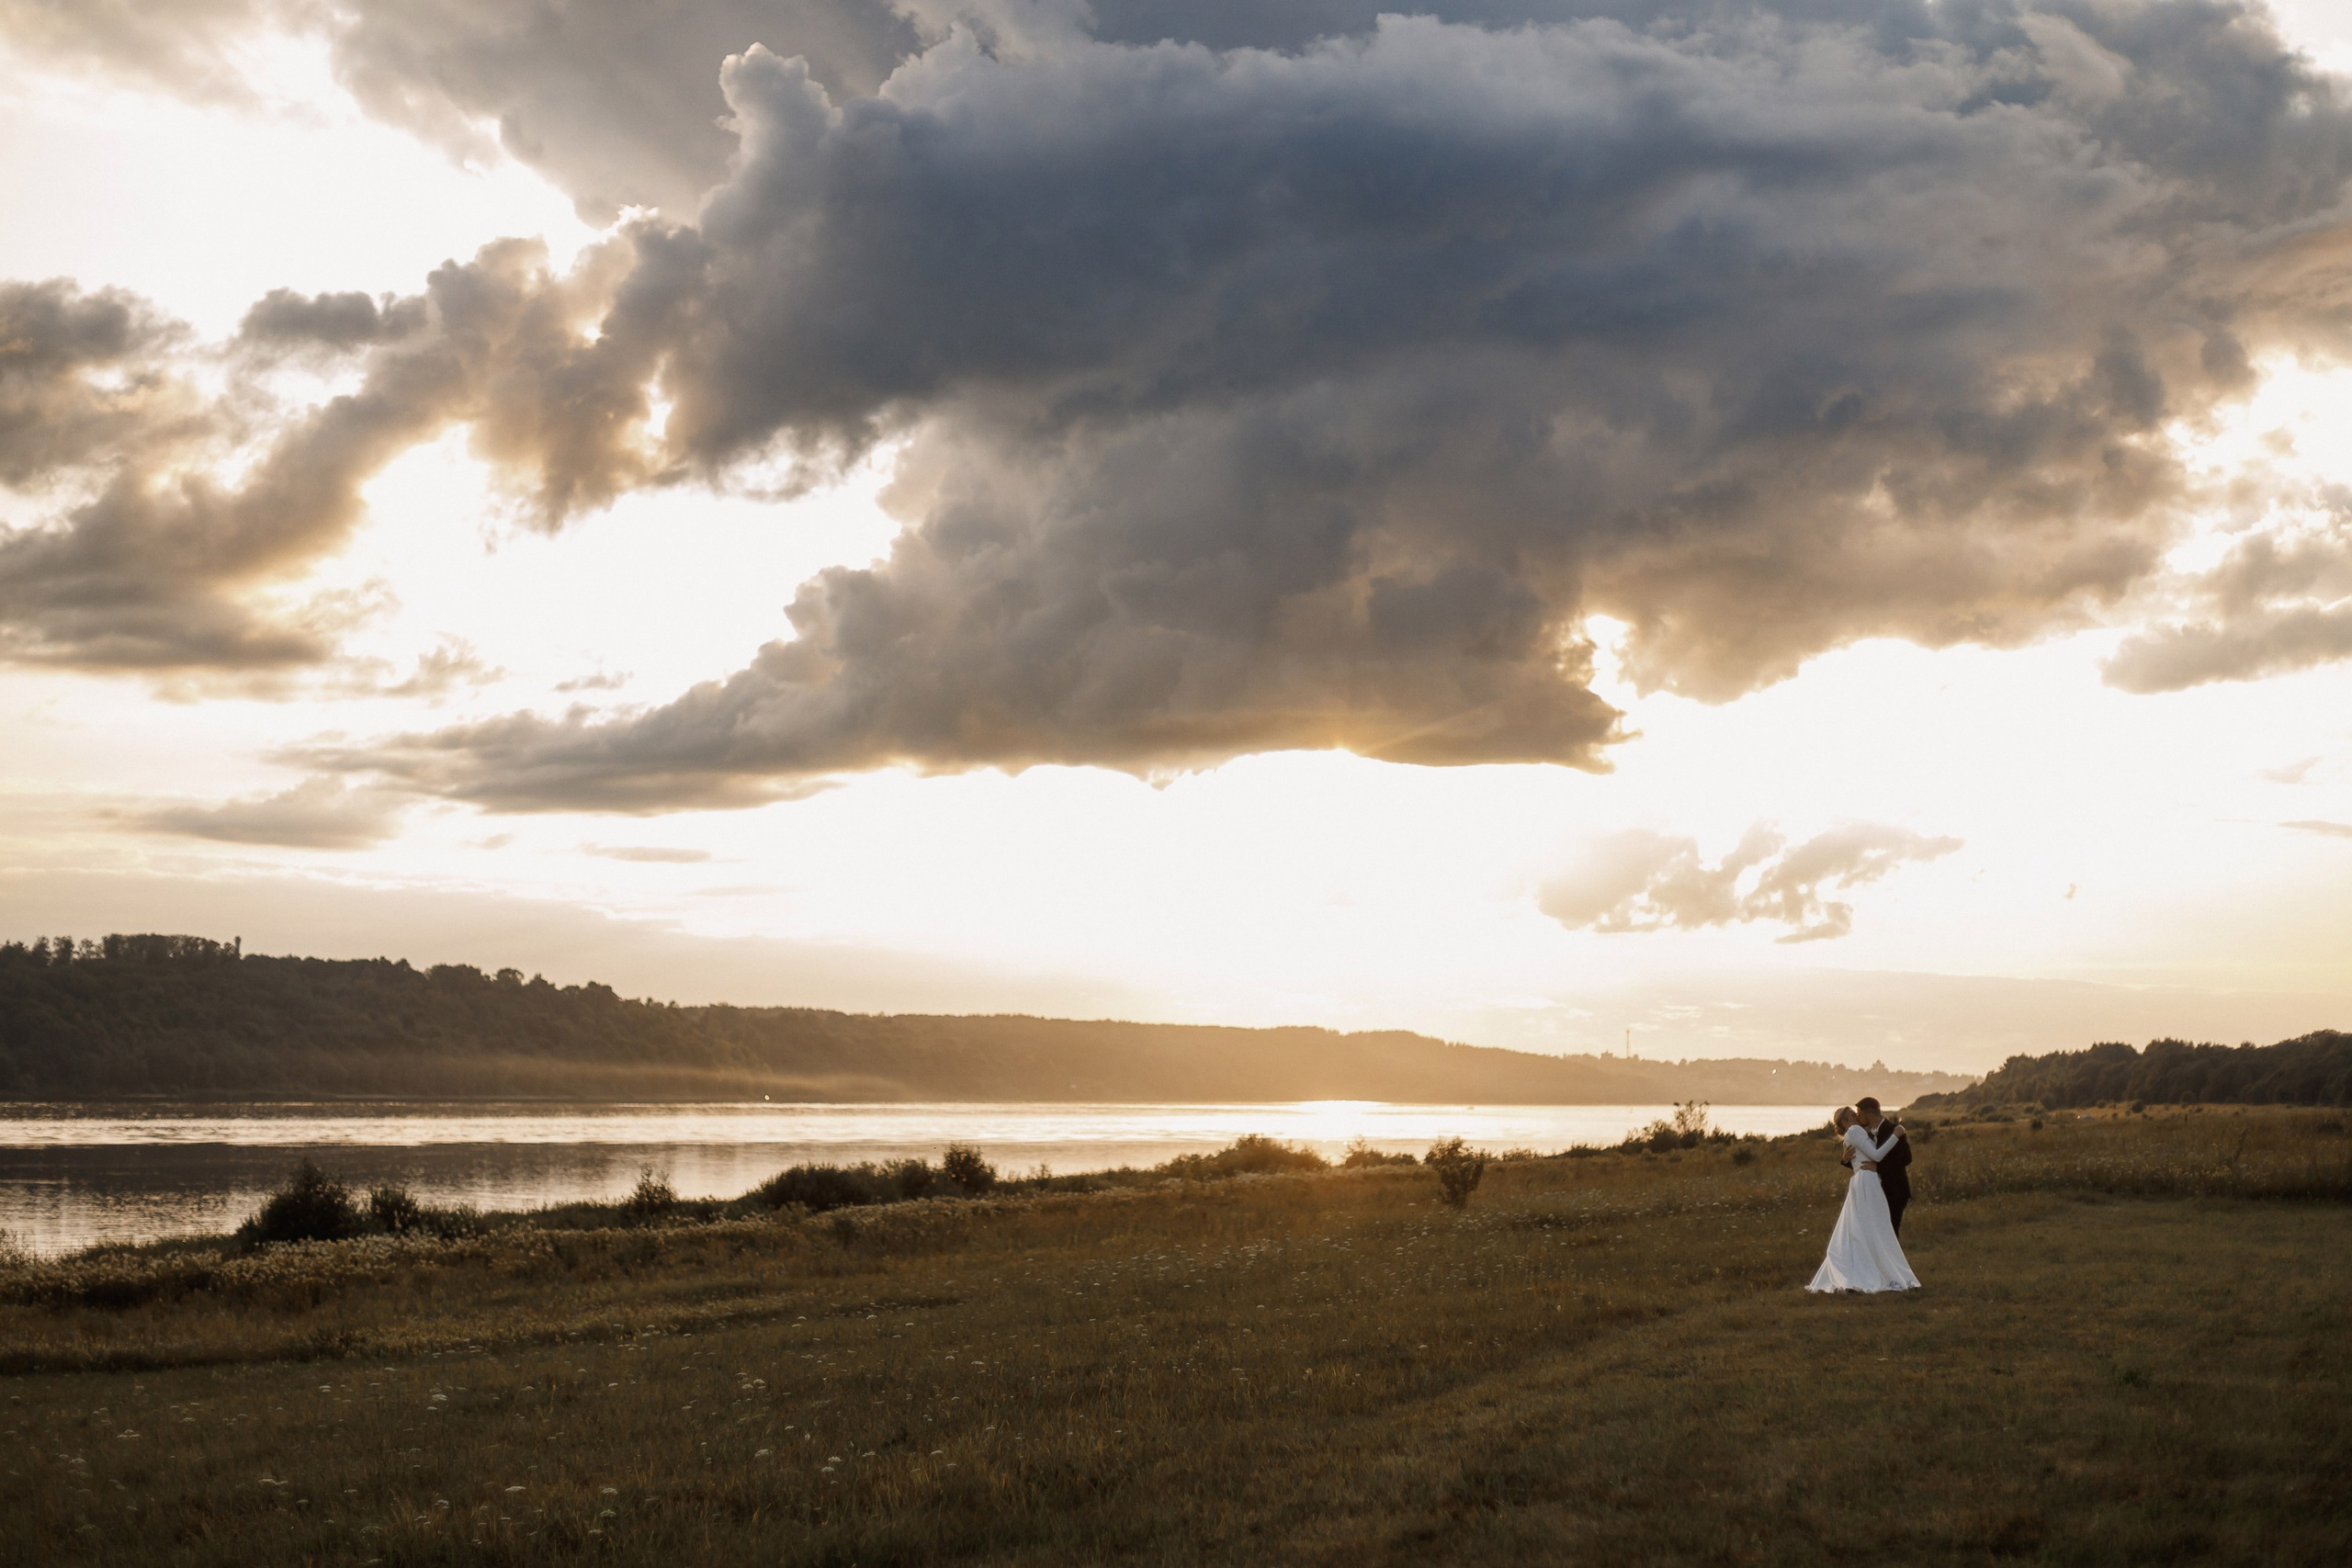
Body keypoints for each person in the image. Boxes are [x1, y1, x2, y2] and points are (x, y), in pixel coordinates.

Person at [1806, 1105, 1920, 1293]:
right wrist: (1896, 1135)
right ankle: (1881, 1271)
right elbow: (1876, 1155)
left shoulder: (1855, 1132)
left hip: (1863, 1181)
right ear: (1845, 1121)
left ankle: (1875, 1268)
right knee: (1876, 1227)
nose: (1857, 1117)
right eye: (1853, 1115)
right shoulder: (1855, 1130)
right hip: (1868, 1181)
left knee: (1864, 1228)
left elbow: (1861, 1157)